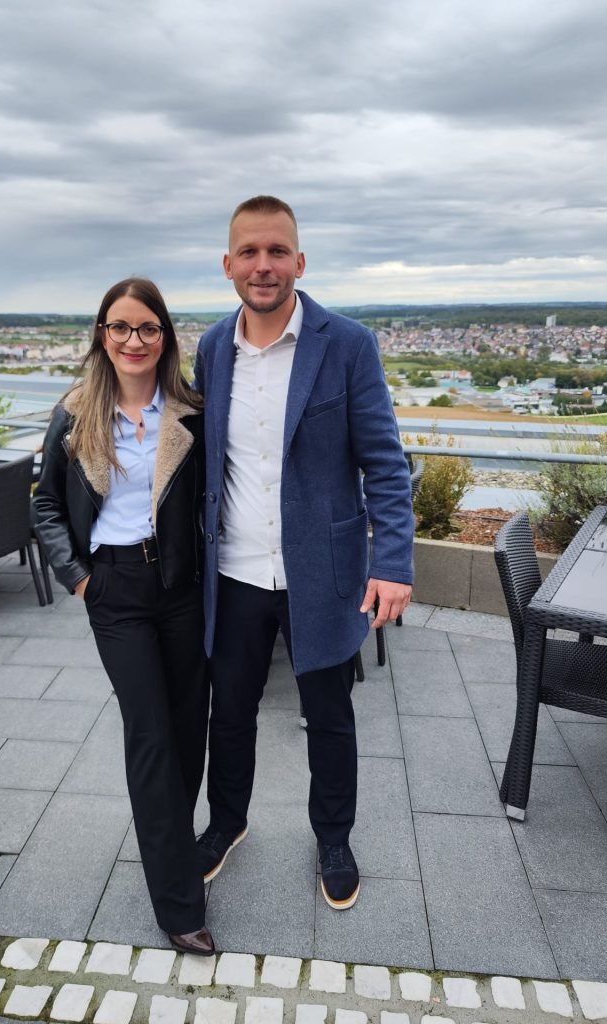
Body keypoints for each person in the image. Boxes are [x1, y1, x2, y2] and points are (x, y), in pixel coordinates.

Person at [193, 196, 414, 910]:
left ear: (300, 262)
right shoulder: (210, 349)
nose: (264, 266)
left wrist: (393, 565)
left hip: (323, 573)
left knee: (330, 716)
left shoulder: (346, 344)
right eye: (250, 252)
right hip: (234, 573)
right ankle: (226, 823)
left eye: (277, 251)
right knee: (229, 714)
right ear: (228, 265)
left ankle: (333, 838)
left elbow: (383, 462)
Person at [34, 278, 213, 955]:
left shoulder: (191, 411)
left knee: (186, 729)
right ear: (102, 336)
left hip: (182, 590)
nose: (133, 340)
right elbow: (46, 506)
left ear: (164, 336)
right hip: (114, 591)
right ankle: (178, 902)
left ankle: (174, 840)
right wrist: (79, 579)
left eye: (147, 328)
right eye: (120, 327)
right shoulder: (76, 414)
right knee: (149, 737)